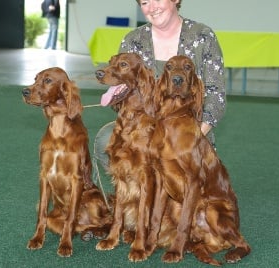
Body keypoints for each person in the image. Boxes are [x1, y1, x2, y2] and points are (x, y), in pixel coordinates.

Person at [94, 0, 226, 174]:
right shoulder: (133, 40)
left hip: (189, 129)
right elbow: (123, 91)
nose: (152, 7)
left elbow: (216, 96)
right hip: (145, 127)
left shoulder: (202, 36)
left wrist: (192, 137)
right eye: (145, 2)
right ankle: (132, 193)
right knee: (105, 138)